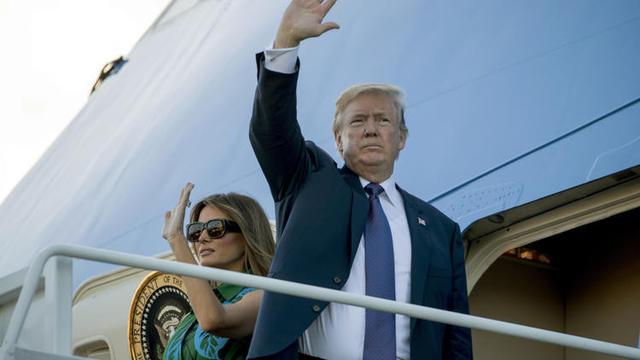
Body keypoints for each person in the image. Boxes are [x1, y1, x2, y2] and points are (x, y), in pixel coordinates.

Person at [247, 0, 473, 359]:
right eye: (357, 121)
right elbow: (271, 133)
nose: (370, 129)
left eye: (383, 120)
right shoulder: (307, 181)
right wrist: (286, 41)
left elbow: (455, 336)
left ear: (402, 138)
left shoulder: (441, 232)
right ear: (338, 140)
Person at [162, 183, 276, 360]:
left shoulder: (267, 295)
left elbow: (213, 320)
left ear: (247, 234)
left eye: (215, 228)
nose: (202, 238)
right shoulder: (191, 316)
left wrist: (176, 239)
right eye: (196, 231)